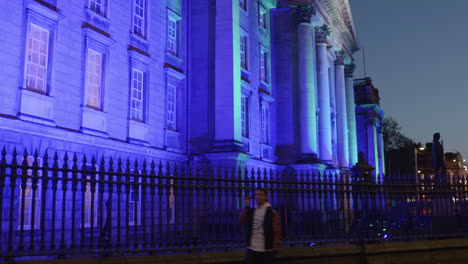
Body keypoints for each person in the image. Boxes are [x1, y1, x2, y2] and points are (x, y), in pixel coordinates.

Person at [240, 188, 281, 264]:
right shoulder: (253, 211)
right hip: (252, 248)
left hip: (266, 249)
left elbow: (277, 230)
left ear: (266, 197)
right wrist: (247, 206)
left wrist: (275, 246)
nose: (258, 197)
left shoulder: (272, 212)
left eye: (260, 195)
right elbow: (242, 221)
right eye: (256, 195)